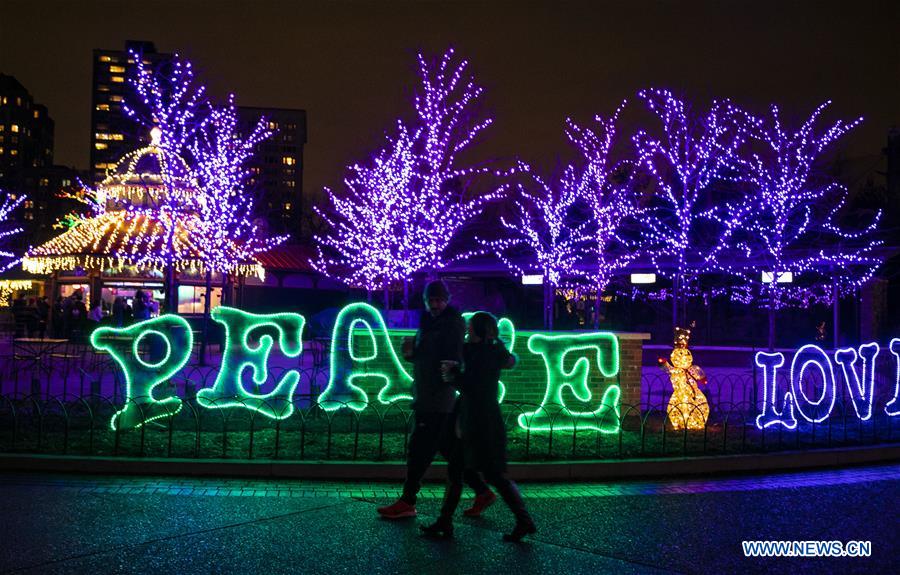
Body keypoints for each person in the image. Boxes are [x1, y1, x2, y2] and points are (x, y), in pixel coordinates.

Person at [377, 280, 495, 520]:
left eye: (439, 300)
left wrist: (440, 373)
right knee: (448, 449)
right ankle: (483, 491)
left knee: (418, 450)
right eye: (430, 300)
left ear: (447, 300)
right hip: (428, 394)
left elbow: (451, 359)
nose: (435, 304)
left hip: (436, 398)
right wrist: (411, 353)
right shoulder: (428, 322)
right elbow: (428, 357)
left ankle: (408, 501)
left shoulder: (451, 324)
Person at [420, 312, 537, 542]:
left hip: (479, 421)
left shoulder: (483, 354)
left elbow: (472, 385)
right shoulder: (483, 351)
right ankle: (445, 521)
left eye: (471, 327)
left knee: (491, 474)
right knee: (462, 469)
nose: (468, 330)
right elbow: (497, 362)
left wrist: (453, 374)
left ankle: (524, 521)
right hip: (479, 418)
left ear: (480, 331)